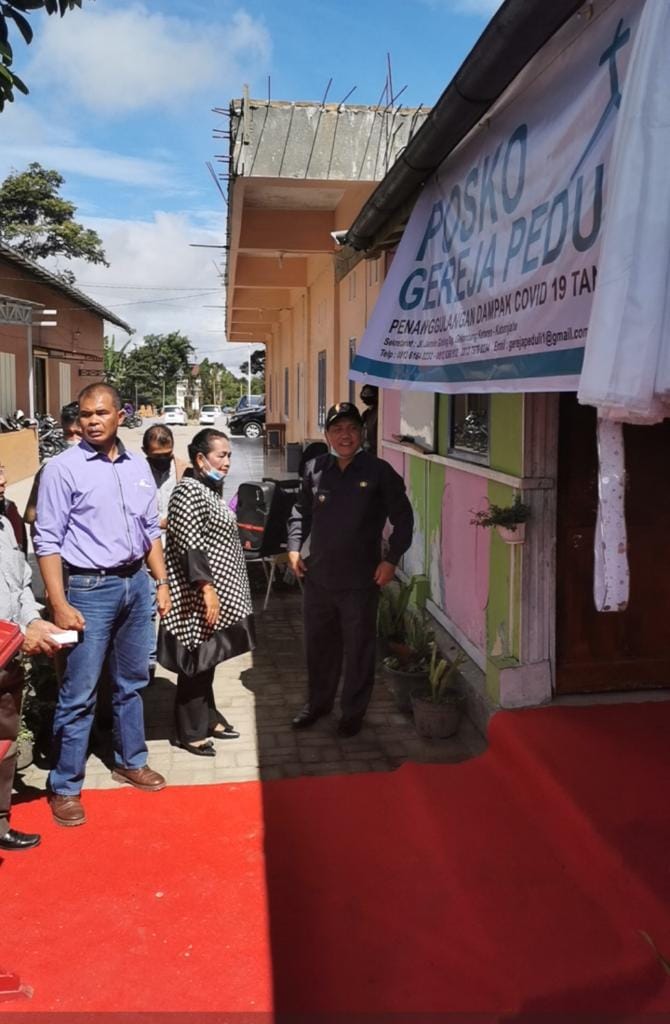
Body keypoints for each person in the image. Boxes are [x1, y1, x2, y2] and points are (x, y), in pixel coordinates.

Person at [33, 384, 172, 828]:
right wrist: (57, 601)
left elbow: (150, 529)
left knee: (132, 682)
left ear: (120, 416)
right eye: (86, 414)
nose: (93, 420)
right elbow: (47, 541)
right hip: (89, 590)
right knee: (79, 692)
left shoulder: (138, 466)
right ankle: (66, 785)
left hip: (136, 584)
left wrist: (161, 581)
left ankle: (130, 760)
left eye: (102, 413)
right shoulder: (62, 469)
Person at [287, 401, 413, 737]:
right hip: (318, 579)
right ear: (327, 434)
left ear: (362, 432)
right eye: (338, 429)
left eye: (352, 428)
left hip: (360, 581)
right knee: (319, 647)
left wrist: (391, 559)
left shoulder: (379, 471)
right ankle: (318, 704)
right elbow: (300, 512)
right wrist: (294, 548)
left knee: (358, 650)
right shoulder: (314, 469)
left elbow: (404, 519)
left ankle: (352, 714)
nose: (346, 435)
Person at [157, 429, 255, 756]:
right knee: (195, 663)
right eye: (220, 455)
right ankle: (190, 732)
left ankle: (209, 718)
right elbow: (189, 545)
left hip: (214, 596)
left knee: (207, 661)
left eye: (229, 455)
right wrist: (207, 589)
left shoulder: (208, 488)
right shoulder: (188, 490)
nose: (226, 462)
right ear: (201, 458)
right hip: (197, 598)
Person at [0, 463, 71, 851]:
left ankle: (0, 821)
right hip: (5, 643)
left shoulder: (5, 522)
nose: (1, 479)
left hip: (8, 659)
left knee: (5, 740)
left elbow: (21, 583)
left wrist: (32, 621)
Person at [141, 424, 188, 679]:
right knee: (148, 607)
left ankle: (177, 655)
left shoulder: (183, 469)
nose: (162, 461)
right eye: (156, 456)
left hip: (176, 550)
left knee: (176, 606)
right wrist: (161, 521)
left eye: (166, 455)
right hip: (146, 551)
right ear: (145, 452)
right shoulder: (135, 472)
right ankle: (149, 662)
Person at [23, 402, 82, 532]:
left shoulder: (109, 469)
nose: (73, 440)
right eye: (68, 433)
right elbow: (31, 516)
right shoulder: (50, 470)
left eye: (79, 434)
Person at [360, 384, 379, 453]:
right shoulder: (366, 413)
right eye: (364, 393)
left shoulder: (379, 411)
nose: (366, 396)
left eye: (369, 393)